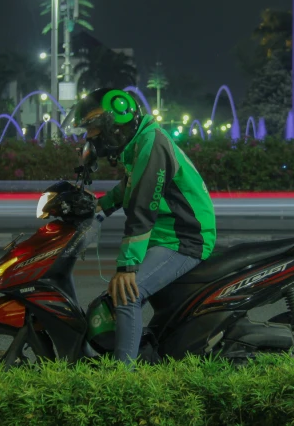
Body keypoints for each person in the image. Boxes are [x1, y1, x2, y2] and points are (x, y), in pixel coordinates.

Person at [63, 87, 216, 364]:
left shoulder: (152, 143)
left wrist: (127, 268)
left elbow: (142, 209)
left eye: (93, 129)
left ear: (114, 125)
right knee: (111, 301)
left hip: (184, 237)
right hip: (166, 233)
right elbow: (130, 186)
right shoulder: (139, 142)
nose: (89, 137)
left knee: (125, 295)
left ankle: (125, 379)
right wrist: (100, 207)